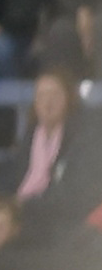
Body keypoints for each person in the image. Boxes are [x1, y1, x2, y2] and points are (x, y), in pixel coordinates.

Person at [8, 68, 98, 246]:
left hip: (61, 221)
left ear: (68, 99)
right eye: (41, 95)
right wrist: (4, 204)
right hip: (24, 214)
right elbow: (8, 176)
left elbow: (75, 194)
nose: (47, 102)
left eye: (54, 95)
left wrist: (25, 206)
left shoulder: (84, 139)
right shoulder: (28, 138)